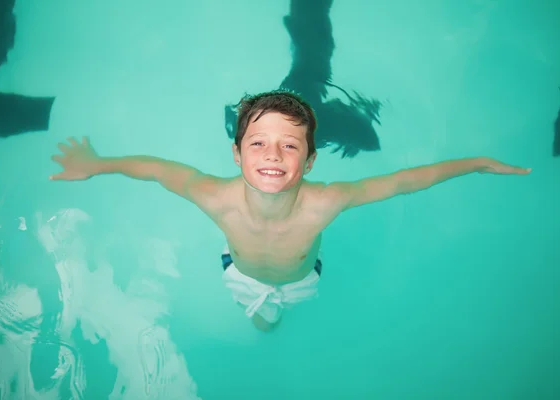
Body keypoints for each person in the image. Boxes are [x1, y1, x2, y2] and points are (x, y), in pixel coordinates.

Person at [49, 90, 531, 331]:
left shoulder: (326, 201)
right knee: (262, 322)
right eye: (258, 143)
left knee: (291, 309)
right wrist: (96, 165)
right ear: (237, 154)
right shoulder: (215, 195)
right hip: (239, 271)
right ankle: (265, 321)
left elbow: (406, 181)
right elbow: (155, 169)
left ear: (311, 158)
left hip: (303, 277)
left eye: (288, 145)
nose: (273, 156)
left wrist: (477, 163)